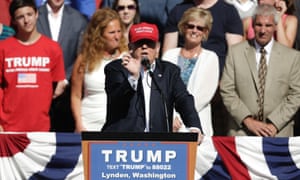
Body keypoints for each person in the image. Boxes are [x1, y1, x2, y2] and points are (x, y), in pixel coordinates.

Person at [102, 22, 203, 140]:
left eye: (150, 43)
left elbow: (184, 99)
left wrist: (194, 126)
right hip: (123, 143)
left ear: (158, 48)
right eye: (139, 43)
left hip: (158, 144)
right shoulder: (116, 68)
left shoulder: (169, 71)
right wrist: (133, 77)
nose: (144, 47)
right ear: (130, 48)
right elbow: (116, 99)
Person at [220, 4, 300, 137]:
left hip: (278, 132)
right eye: (259, 25)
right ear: (252, 24)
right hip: (242, 132)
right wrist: (248, 121)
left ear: (275, 26)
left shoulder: (292, 57)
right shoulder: (236, 52)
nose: (263, 30)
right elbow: (227, 90)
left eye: (268, 25)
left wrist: (274, 124)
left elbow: (296, 95)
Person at [0, 0, 66, 132]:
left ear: (36, 14)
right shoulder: (3, 48)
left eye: (29, 14)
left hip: (41, 128)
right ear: (13, 20)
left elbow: (57, 84)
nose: (26, 20)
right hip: (8, 127)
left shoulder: (52, 48)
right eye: (20, 17)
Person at [162, 7, 218, 136]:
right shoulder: (169, 56)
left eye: (200, 28)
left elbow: (204, 95)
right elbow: (162, 90)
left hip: (197, 125)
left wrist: (180, 117)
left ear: (205, 32)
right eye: (191, 26)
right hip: (169, 124)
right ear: (183, 27)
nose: (194, 31)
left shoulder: (211, 58)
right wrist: (170, 117)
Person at [71, 8, 128, 132]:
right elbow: (75, 95)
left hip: (118, 127)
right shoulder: (84, 59)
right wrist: (79, 124)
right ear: (99, 35)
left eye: (119, 31)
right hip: (88, 125)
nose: (117, 36)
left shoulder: (127, 57)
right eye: (112, 32)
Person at [37, 0, 88, 132]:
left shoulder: (79, 20)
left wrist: (64, 79)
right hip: (38, 90)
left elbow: (81, 55)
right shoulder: (34, 16)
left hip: (66, 93)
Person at [163, 0, 243, 73]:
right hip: (180, 71)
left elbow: (235, 55)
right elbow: (168, 53)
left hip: (216, 72)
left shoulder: (228, 12)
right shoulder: (178, 10)